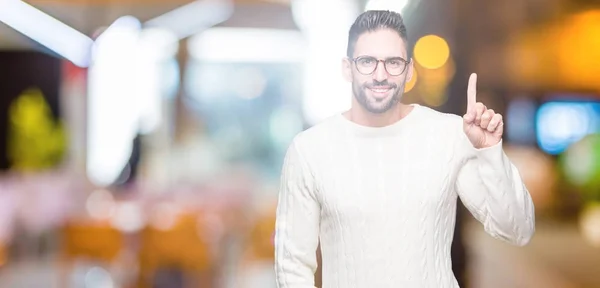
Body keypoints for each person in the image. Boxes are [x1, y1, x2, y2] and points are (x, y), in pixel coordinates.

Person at [274, 9, 535, 288]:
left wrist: (490, 152)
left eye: (393, 62)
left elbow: (517, 230)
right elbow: (292, 263)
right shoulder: (310, 149)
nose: (380, 75)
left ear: (409, 70)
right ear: (347, 68)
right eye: (366, 62)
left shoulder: (448, 135)